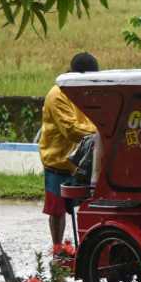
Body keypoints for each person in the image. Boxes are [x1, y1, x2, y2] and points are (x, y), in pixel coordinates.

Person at [39, 52, 98, 258]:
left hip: (82, 161)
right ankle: (57, 249)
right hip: (59, 160)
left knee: (86, 205)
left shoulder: (87, 91)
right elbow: (71, 129)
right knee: (57, 209)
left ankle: (85, 247)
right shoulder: (57, 95)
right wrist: (102, 132)